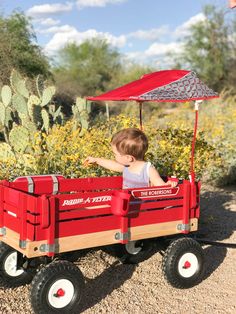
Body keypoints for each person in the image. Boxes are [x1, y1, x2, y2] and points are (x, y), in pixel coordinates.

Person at [84, 128, 177, 189]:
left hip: (144, 209)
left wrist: (168, 185)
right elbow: (112, 165)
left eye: (115, 154)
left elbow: (160, 186)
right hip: (127, 205)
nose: (114, 156)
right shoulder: (127, 166)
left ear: (129, 158)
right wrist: (96, 160)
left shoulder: (148, 170)